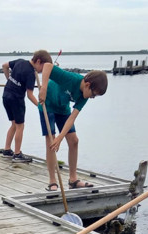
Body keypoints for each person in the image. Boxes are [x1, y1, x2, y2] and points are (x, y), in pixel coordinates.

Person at [36, 56, 108, 188]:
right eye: (93, 95)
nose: (92, 98)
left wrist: (61, 136)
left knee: (74, 140)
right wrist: (44, 88)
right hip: (47, 104)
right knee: (51, 141)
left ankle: (73, 179)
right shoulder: (71, 78)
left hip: (63, 108)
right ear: (87, 85)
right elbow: (47, 66)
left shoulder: (83, 97)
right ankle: (52, 181)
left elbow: (72, 117)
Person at [0, 54, 41, 163]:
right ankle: (17, 154)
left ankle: (7, 150)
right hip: (16, 99)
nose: (41, 70)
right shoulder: (31, 74)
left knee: (14, 124)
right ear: (38, 61)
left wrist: (9, 80)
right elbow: (30, 95)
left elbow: (4, 66)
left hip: (6, 95)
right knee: (20, 126)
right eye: (42, 67)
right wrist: (40, 106)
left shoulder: (19, 61)